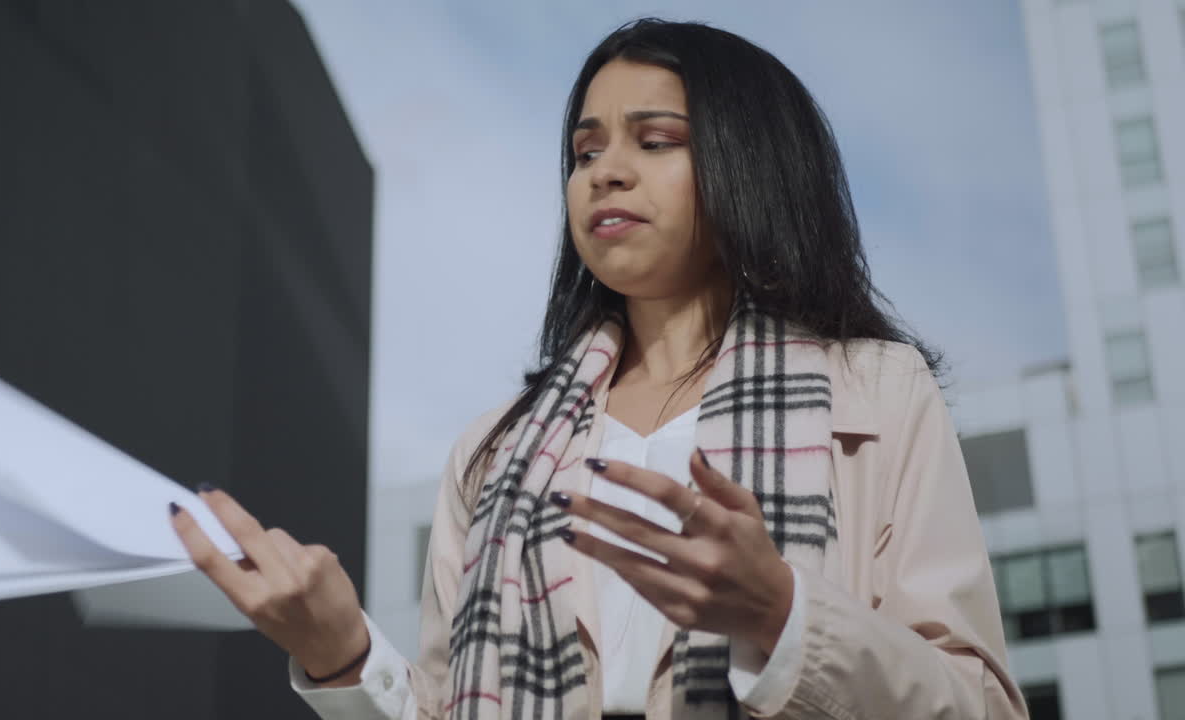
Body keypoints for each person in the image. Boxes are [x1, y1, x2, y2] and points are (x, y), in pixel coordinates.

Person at [170, 17, 1028, 720]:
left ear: (751, 163)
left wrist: (782, 613)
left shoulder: (877, 391)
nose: (604, 173)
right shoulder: (494, 451)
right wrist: (341, 654)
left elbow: (981, 706)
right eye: (584, 154)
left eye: (655, 140)